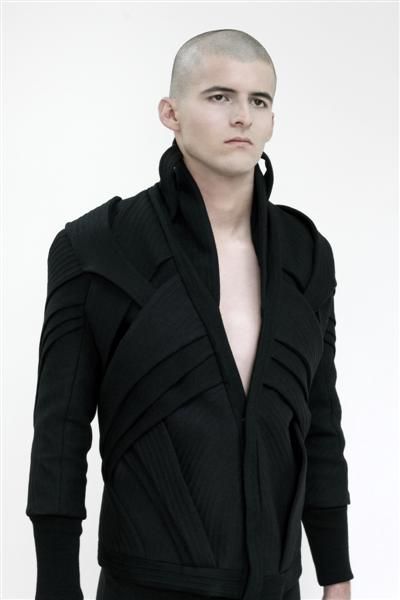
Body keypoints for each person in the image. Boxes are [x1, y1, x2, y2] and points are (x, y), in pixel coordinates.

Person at [25, 28, 354, 600]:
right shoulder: (97, 248)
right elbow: (60, 432)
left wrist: (336, 572)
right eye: (219, 96)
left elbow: (319, 421)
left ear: (272, 120)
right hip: (144, 585)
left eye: (259, 100)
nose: (242, 116)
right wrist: (55, 586)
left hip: (276, 587)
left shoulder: (306, 255)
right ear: (170, 113)